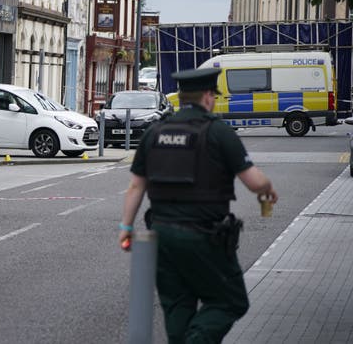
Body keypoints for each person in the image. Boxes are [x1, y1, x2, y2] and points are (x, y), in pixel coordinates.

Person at [118, 67, 278, 343]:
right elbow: (254, 182)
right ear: (207, 96)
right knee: (230, 301)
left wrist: (126, 226)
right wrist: (267, 188)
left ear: (181, 98)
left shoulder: (154, 133)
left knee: (178, 306)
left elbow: (136, 186)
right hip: (205, 236)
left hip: (162, 236)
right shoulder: (218, 132)